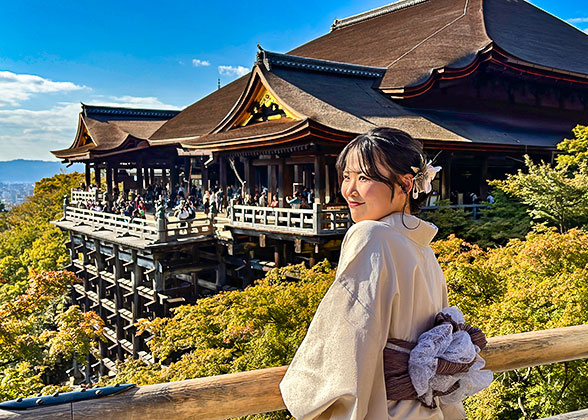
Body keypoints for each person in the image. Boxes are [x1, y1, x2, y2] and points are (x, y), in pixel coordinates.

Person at [279, 128, 491, 420]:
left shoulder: (370, 235)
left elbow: (349, 335)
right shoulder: (424, 250)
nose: (349, 190)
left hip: (386, 411)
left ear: (406, 183)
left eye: (363, 178)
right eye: (347, 176)